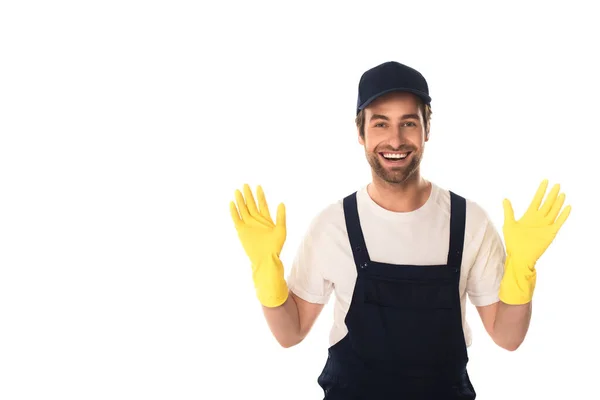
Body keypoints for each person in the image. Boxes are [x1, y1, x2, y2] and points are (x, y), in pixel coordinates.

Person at [229, 61, 571, 399]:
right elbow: (290, 334)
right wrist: (265, 269)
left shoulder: (469, 222)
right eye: (380, 124)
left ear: (427, 129)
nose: (395, 139)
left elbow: (508, 337)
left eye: (408, 123)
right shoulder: (332, 225)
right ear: (361, 132)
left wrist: (522, 268)